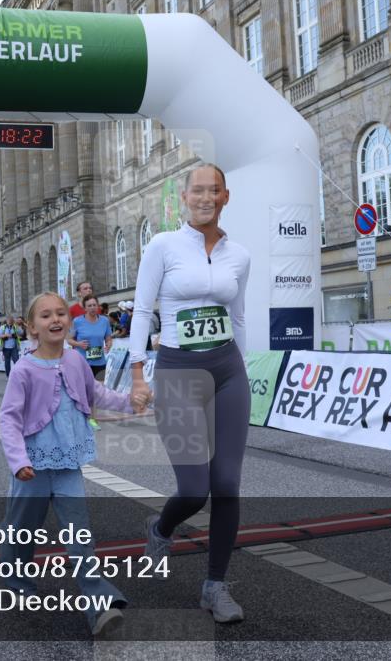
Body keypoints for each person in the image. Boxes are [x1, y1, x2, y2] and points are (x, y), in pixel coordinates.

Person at [132, 163, 251, 623]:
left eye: (213, 190)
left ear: (225, 196)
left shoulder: (238, 255)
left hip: (227, 371)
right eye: (197, 190)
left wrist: (247, 369)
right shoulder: (162, 246)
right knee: (194, 489)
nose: (205, 197)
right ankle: (161, 527)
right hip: (179, 372)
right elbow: (143, 310)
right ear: (184, 197)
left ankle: (215, 587)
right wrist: (139, 373)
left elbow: (238, 318)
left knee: (226, 486)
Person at [0, 292, 150, 637]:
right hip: (32, 468)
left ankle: (99, 606)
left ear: (69, 319)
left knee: (80, 537)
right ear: (31, 327)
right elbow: (8, 419)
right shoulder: (23, 369)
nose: (55, 320)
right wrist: (18, 460)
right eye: (46, 315)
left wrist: (129, 403)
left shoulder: (76, 361)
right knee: (21, 531)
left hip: (68, 465)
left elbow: (96, 394)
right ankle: (16, 581)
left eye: (61, 313)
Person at [68, 294, 113, 380]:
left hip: (100, 362)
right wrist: (78, 344)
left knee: (99, 389)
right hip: (82, 362)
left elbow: (108, 338)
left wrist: (108, 344)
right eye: (89, 306)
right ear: (85, 308)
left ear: (98, 306)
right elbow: (69, 340)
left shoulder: (104, 321)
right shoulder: (77, 321)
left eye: (94, 305)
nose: (92, 307)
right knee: (84, 389)